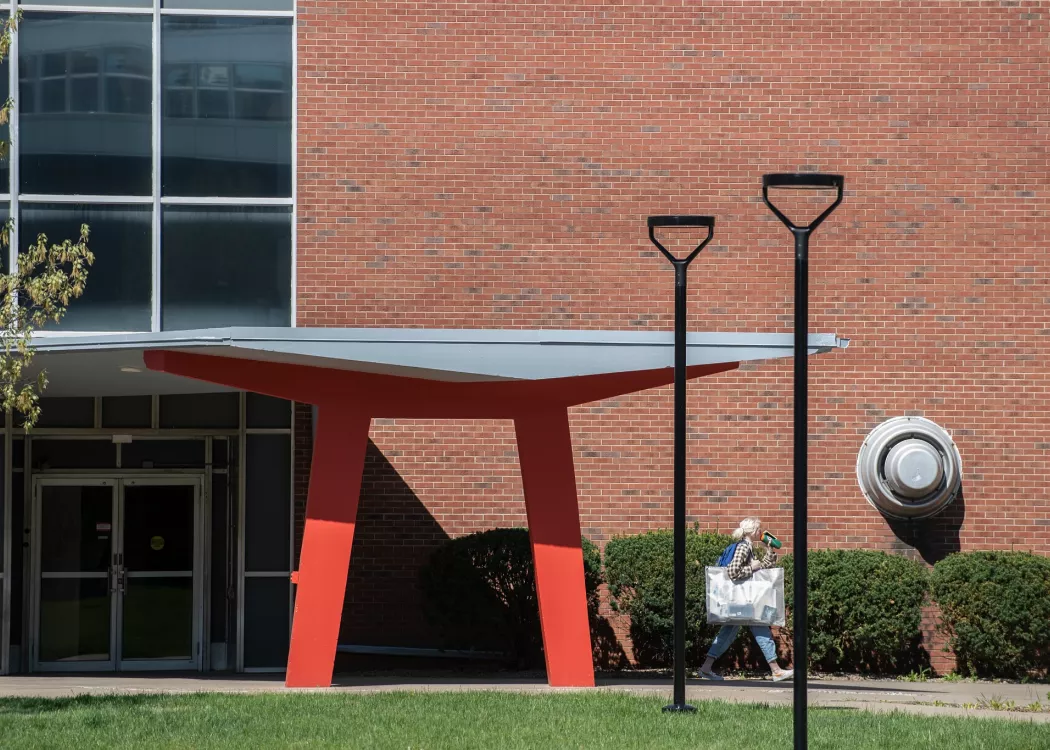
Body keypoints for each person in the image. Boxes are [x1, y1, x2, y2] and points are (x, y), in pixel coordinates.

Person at [699, 517, 794, 682]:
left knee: (727, 633)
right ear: (752, 531)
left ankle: (706, 668)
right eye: (758, 529)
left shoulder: (748, 547)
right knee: (760, 627)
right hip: (742, 600)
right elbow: (733, 572)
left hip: (739, 600)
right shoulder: (743, 547)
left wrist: (768, 550)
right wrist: (753, 567)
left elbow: (763, 568)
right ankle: (776, 670)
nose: (760, 532)